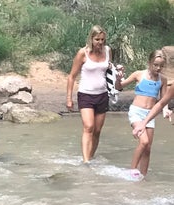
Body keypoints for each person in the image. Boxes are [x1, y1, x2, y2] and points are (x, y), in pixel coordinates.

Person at [118, 49, 170, 180]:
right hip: (136, 111)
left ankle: (143, 176)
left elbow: (163, 101)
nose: (158, 68)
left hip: (150, 115)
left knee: (148, 148)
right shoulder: (139, 75)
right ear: (149, 62)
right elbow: (119, 87)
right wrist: (118, 79)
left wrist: (167, 111)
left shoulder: (163, 80)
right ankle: (133, 169)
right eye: (155, 65)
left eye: (161, 66)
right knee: (144, 141)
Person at [66, 25, 112, 164]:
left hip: (102, 94)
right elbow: (72, 76)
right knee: (89, 126)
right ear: (91, 39)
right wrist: (69, 98)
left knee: (97, 130)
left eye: (103, 39)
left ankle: (90, 157)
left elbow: (108, 69)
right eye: (97, 39)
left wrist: (117, 72)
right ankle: (86, 161)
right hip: (86, 94)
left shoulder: (108, 51)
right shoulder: (83, 53)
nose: (100, 42)